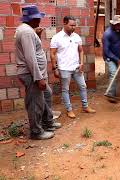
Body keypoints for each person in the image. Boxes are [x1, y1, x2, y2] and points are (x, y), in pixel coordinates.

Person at [15, 5, 61, 140]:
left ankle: (48, 122)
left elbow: (33, 50)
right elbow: (30, 57)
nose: (39, 20)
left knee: (46, 94)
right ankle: (36, 131)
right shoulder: (27, 32)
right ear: (31, 19)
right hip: (31, 74)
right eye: (37, 18)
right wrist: (38, 78)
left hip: (34, 73)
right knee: (35, 102)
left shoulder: (28, 30)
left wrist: (38, 35)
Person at [50, 16, 96, 118]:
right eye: (71, 25)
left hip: (76, 67)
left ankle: (85, 106)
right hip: (64, 68)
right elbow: (52, 54)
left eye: (75, 25)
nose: (73, 27)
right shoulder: (56, 38)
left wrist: (81, 63)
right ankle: (69, 110)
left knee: (83, 86)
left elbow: (81, 50)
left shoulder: (76, 37)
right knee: (65, 89)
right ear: (64, 24)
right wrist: (55, 68)